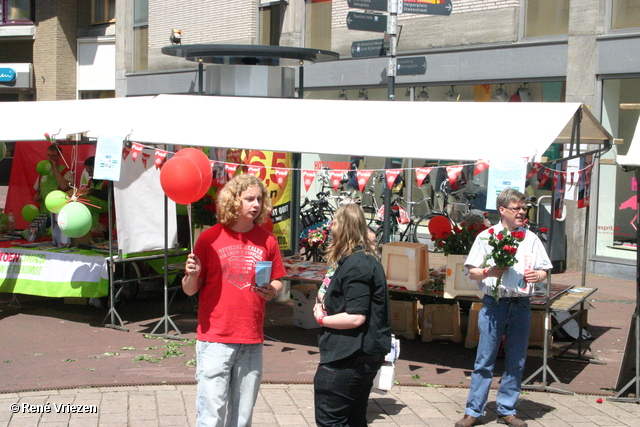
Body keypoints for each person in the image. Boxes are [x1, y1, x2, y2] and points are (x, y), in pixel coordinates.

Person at [182, 174, 286, 427]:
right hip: (215, 337)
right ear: (232, 201)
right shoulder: (209, 239)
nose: (256, 204)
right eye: (249, 199)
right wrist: (191, 275)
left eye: (259, 199)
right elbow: (189, 290)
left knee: (242, 415)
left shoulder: (268, 240)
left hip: (251, 337)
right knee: (211, 412)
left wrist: (272, 290)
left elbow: (278, 280)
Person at [455, 188, 552, 427]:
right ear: (502, 210)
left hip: (520, 304)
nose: (521, 212)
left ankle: (507, 409)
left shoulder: (530, 238)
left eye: (523, 208)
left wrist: (536, 275)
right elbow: (471, 271)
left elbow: (544, 271)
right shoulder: (487, 236)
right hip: (494, 303)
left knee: (516, 359)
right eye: (516, 208)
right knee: (484, 359)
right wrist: (489, 271)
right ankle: (474, 411)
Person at [312, 203, 391, 427]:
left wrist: (321, 319)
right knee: (354, 418)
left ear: (344, 226)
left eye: (335, 221)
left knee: (332, 419)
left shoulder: (358, 264)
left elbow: (356, 316)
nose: (331, 226)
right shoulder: (354, 259)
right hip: (355, 354)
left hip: (350, 355)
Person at [33, 144, 73, 246]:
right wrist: (37, 196)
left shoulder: (65, 171)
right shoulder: (42, 172)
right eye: (48, 155)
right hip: (44, 214)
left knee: (54, 236)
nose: (50, 158)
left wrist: (55, 169)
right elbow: (38, 190)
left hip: (58, 214)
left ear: (59, 157)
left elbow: (65, 187)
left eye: (53, 156)